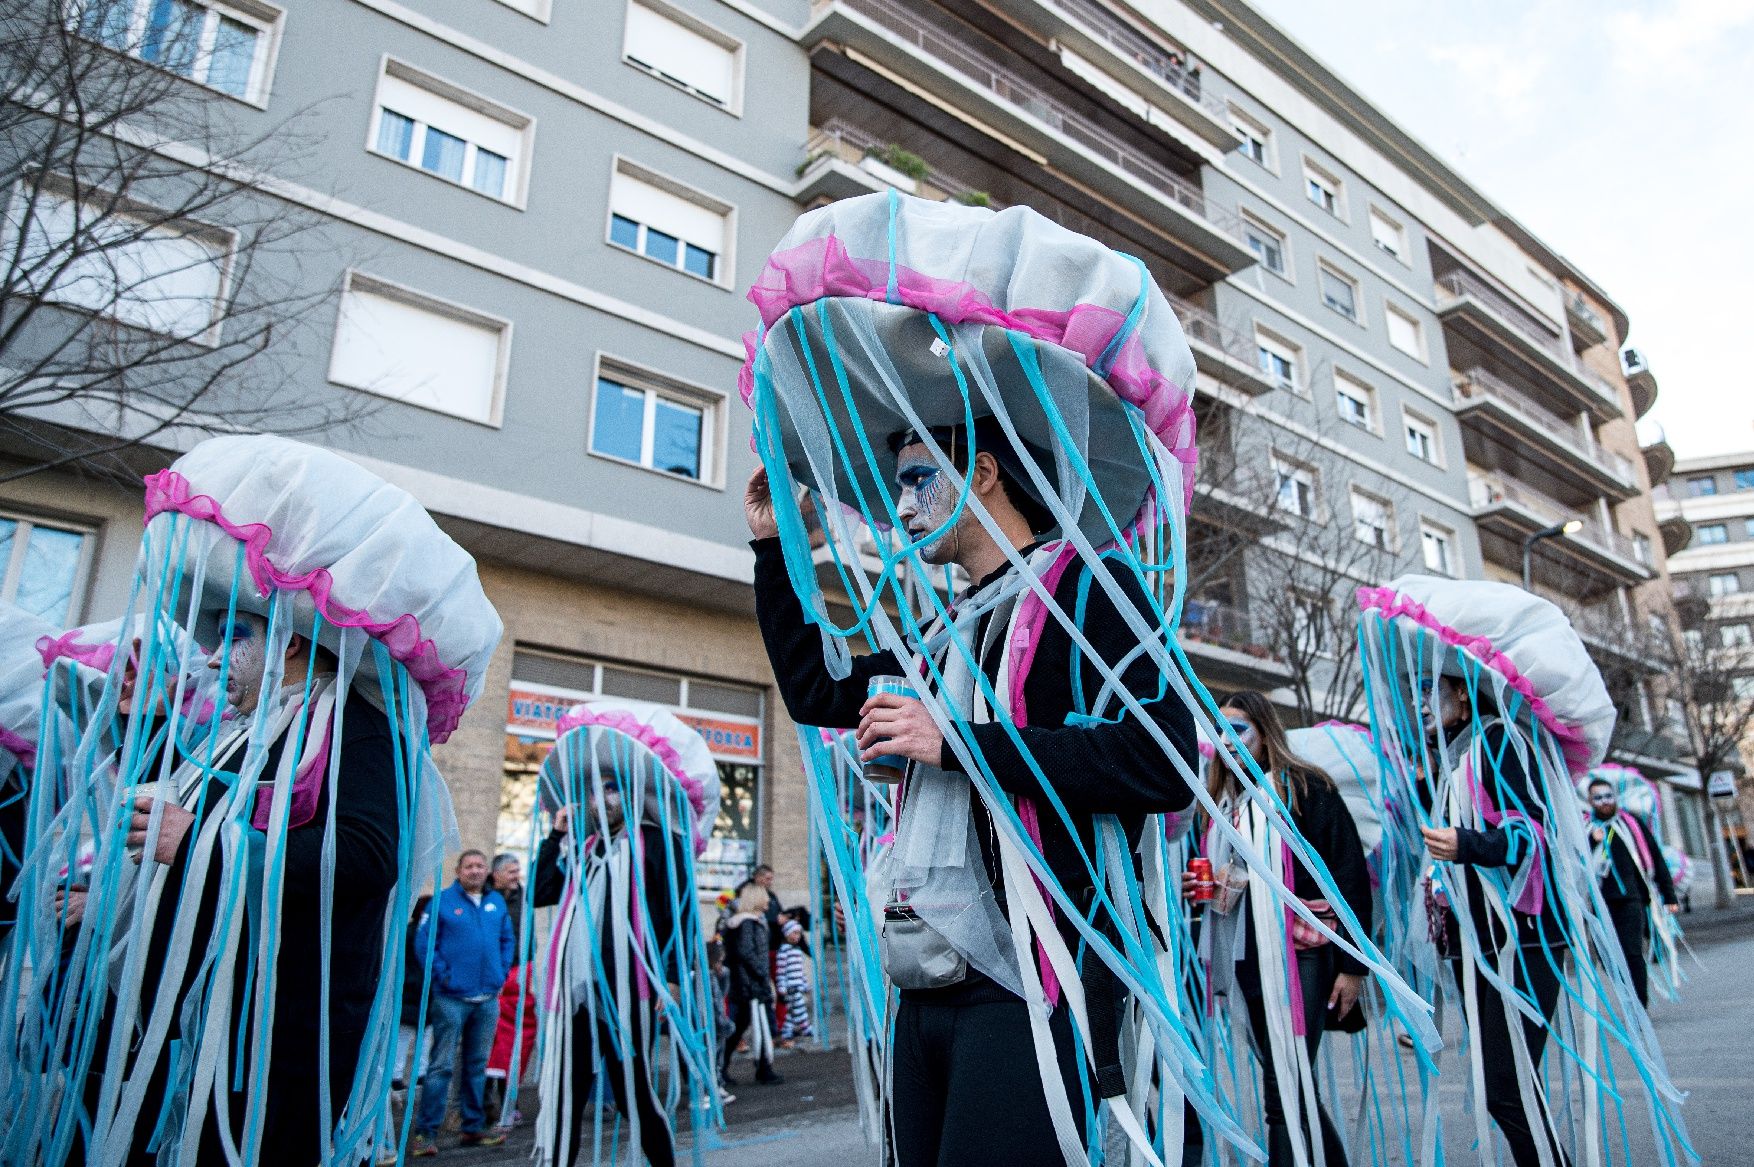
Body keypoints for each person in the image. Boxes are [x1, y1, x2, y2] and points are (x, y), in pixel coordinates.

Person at [530, 700, 720, 1167]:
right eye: (594, 790)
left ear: (630, 793)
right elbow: (540, 893)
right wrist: (555, 836)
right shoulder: (582, 846)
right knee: (563, 1094)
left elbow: (679, 912)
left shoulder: (658, 841)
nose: (602, 797)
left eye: (611, 787)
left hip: (627, 990)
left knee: (634, 1089)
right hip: (574, 993)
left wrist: (675, 977)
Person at [1187, 692, 1369, 1167]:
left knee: (1283, 1087)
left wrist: (1353, 969)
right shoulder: (1220, 803)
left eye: (1240, 729)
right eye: (1220, 730)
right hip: (1247, 956)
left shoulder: (1306, 788)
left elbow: (1348, 873)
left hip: (1303, 952)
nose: (1229, 740)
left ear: (1266, 734)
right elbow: (1231, 881)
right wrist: (1204, 888)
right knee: (1291, 1080)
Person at [410, 850, 515, 1155]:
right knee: (441, 1066)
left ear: (487, 872)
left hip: (487, 999)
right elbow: (424, 943)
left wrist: (500, 973)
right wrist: (444, 978)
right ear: (457, 871)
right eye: (468, 866)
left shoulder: (496, 903)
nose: (475, 870)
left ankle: (472, 1126)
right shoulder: (441, 902)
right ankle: (425, 1133)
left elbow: (507, 940)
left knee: (476, 1065)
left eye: (480, 866)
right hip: (451, 999)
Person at [1585, 776, 1678, 1006]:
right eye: (1598, 797)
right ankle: (1627, 995)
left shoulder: (1630, 824)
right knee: (1607, 958)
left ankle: (1638, 1005)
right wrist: (1591, 840)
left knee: (1632, 952)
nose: (1605, 801)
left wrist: (1669, 895)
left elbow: (1654, 857)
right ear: (1590, 801)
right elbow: (1572, 862)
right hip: (1599, 903)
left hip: (1631, 899)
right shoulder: (1584, 827)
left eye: (1608, 796)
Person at [485, 853, 535, 1126]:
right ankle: (482, 1104)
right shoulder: (486, 898)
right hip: (489, 978)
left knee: (514, 1041)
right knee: (488, 1043)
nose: (516, 876)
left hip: (517, 975)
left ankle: (508, 1102)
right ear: (496, 874)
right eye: (511, 871)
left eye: (518, 870)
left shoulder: (524, 898)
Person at [720, 884, 780, 1087]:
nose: (768, 901)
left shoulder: (746, 922)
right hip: (751, 984)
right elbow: (747, 952)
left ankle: (762, 1067)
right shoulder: (748, 923)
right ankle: (759, 1068)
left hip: (747, 983)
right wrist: (761, 973)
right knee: (751, 1025)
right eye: (764, 896)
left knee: (748, 1025)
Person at [775, 916, 813, 1045]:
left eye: (799, 934)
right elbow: (780, 970)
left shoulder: (797, 951)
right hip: (790, 987)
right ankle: (805, 1027)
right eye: (794, 933)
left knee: (792, 1011)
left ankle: (787, 1031)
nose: (797, 936)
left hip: (798, 986)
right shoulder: (783, 951)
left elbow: (800, 971)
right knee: (799, 1007)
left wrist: (805, 984)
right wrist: (781, 987)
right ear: (787, 933)